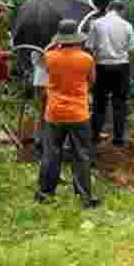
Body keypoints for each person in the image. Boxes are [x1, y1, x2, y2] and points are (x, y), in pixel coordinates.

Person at [36, 19, 100, 208]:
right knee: (81, 155)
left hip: (54, 112)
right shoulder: (86, 58)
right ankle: (85, 198)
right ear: (77, 38)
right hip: (79, 113)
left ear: (60, 37)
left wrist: (54, 46)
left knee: (51, 153)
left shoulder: (49, 56)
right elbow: (92, 81)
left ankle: (45, 193)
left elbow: (42, 66)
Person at [88, 0, 134, 148]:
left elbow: (90, 47)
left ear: (108, 8)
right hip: (121, 67)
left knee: (99, 103)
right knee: (120, 104)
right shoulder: (127, 25)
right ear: (121, 10)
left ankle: (94, 136)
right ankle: (118, 139)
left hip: (101, 66)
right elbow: (133, 49)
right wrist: (131, 70)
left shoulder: (96, 24)